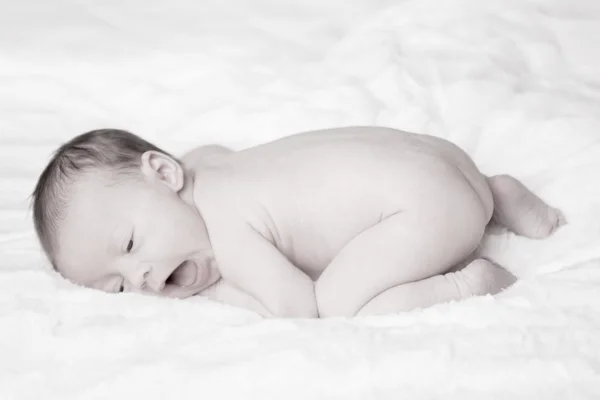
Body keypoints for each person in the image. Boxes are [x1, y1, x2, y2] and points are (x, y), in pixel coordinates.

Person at [31, 127, 565, 318]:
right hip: (443, 161)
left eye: (129, 243)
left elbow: (294, 306)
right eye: (118, 286)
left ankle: (468, 281)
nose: (143, 277)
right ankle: (495, 195)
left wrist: (221, 290)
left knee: (335, 302)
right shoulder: (207, 163)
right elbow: (209, 150)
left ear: (166, 172)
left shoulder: (227, 228)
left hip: (426, 209)